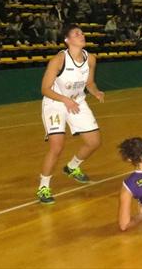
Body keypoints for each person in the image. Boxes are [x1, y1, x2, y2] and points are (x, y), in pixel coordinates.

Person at [36, 23, 105, 204]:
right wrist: (65, 100)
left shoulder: (90, 59)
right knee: (57, 146)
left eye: (82, 33)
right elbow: (44, 89)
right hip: (55, 102)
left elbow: (89, 83)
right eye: (77, 33)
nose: (82, 35)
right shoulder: (58, 60)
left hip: (77, 101)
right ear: (67, 40)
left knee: (94, 142)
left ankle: (72, 166)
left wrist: (96, 91)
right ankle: (44, 186)